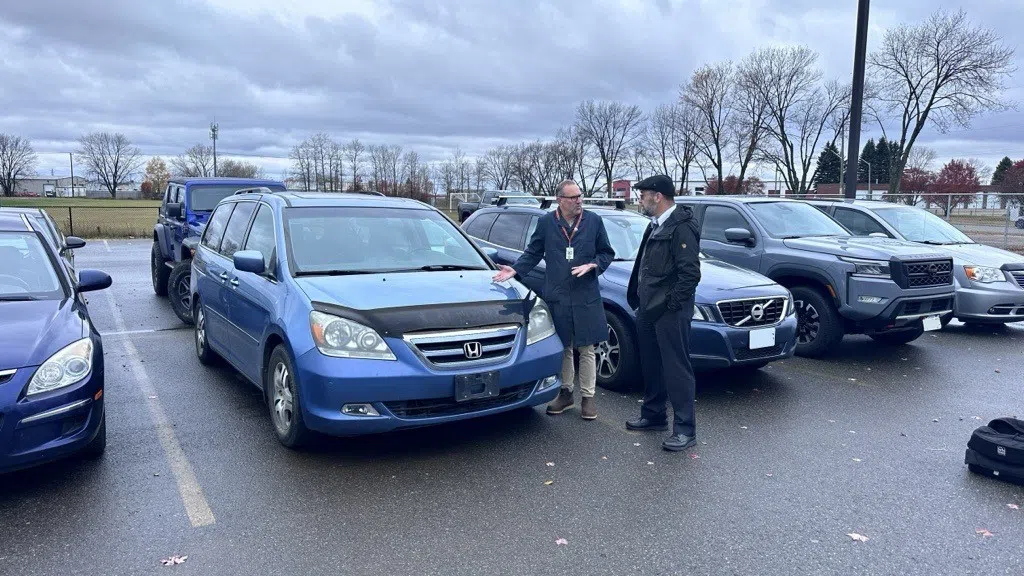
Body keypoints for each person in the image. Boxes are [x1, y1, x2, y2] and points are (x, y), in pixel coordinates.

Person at [492, 180, 615, 420]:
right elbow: (534, 251)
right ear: (560, 200)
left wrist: (593, 265)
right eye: (573, 197)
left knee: (587, 347)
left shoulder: (594, 221)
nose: (579, 200)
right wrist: (515, 270)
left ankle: (588, 398)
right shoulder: (547, 222)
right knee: (565, 347)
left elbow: (606, 253)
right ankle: (566, 393)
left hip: (585, 294)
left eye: (580, 196)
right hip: (558, 294)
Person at [624, 174, 702, 451]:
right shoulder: (656, 225)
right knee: (652, 363)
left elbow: (690, 274)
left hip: (670, 311)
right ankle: (654, 414)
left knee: (676, 367)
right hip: (648, 307)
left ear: (657, 196)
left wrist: (670, 305)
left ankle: (685, 429)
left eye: (643, 195)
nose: (640, 199)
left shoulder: (682, 226)